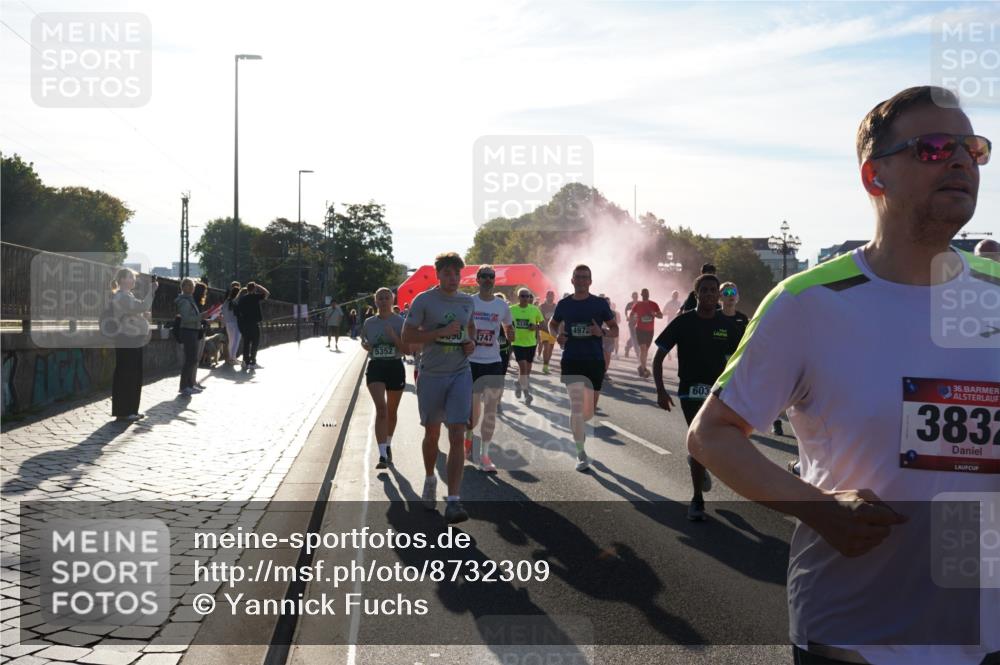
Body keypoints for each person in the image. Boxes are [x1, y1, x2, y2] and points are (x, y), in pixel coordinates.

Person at [689, 86, 999, 665]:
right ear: (873, 177)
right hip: (856, 633)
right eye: (933, 147)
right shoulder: (806, 303)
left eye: (972, 148)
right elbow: (712, 434)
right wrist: (817, 506)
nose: (960, 160)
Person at [651, 273, 739, 521]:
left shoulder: (728, 324)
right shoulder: (683, 322)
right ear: (697, 294)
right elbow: (658, 357)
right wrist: (660, 390)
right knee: (700, 439)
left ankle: (698, 459)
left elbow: (740, 360)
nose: (710, 294)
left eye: (714, 290)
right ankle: (697, 499)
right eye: (705, 290)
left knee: (712, 443)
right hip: (689, 390)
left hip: (718, 393)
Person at [402, 252, 476, 524]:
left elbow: (471, 329)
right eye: (447, 273)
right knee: (432, 433)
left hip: (460, 373)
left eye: (457, 274)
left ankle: (454, 501)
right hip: (431, 374)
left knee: (457, 432)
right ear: (438, 275)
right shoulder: (424, 300)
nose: (453, 279)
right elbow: (407, 336)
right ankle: (431, 478)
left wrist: (471, 344)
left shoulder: (467, 301)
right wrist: (439, 333)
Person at [549, 265, 617, 471]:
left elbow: (615, 329)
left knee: (589, 411)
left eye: (585, 277)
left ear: (590, 281)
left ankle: (581, 428)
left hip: (594, 361)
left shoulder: (599, 304)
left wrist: (602, 332)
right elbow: (553, 324)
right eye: (577, 277)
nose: (581, 280)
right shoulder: (564, 304)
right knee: (577, 408)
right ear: (572, 280)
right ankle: (580, 452)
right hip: (572, 360)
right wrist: (556, 336)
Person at [464, 265, 514, 472]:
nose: (487, 279)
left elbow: (509, 328)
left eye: (490, 277)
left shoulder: (502, 306)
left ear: (494, 280)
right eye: (483, 276)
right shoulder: (469, 302)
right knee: (473, 414)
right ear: (477, 279)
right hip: (470, 362)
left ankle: (485, 455)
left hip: (493, 362)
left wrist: (511, 335)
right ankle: (468, 439)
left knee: (491, 411)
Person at [361, 288, 406, 470]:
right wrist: (366, 345)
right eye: (380, 298)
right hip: (376, 366)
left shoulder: (401, 321)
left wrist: (394, 336)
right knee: (381, 409)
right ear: (376, 301)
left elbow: (406, 349)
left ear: (392, 299)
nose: (384, 300)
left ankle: (387, 444)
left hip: (395, 366)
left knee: (392, 411)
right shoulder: (369, 322)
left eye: (387, 297)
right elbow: (364, 342)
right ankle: (381, 455)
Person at [108, 268, 157, 421]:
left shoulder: (127, 295)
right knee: (128, 374)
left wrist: (143, 315)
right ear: (122, 280)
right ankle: (125, 410)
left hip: (132, 338)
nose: (133, 280)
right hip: (127, 339)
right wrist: (152, 291)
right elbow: (142, 306)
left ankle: (130, 410)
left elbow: (138, 309)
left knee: (133, 374)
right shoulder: (122, 296)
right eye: (130, 277)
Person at [176, 278, 212, 395]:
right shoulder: (184, 301)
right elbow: (186, 319)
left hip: (193, 331)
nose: (191, 288)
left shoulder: (189, 300)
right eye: (188, 286)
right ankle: (184, 386)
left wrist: (202, 316)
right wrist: (200, 316)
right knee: (190, 359)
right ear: (183, 287)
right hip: (188, 331)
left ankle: (189, 385)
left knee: (193, 359)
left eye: (192, 286)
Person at [509, 289, 544, 405]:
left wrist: (536, 327)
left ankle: (518, 383)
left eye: (527, 296)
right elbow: (504, 324)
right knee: (523, 369)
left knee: (527, 372)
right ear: (518, 297)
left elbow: (543, 325)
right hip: (517, 344)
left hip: (531, 344)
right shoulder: (511, 310)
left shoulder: (534, 310)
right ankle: (526, 394)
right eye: (523, 296)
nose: (525, 298)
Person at [628, 288, 663, 378]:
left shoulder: (654, 304)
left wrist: (654, 314)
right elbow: (631, 315)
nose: (645, 295)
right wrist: (634, 318)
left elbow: (661, 315)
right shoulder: (638, 304)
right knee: (643, 349)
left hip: (650, 331)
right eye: (643, 294)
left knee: (645, 351)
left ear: (648, 294)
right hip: (640, 329)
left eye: (646, 294)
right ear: (641, 295)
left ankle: (641, 366)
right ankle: (643, 369)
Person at [236, 281, 269, 369]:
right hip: (254, 324)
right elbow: (267, 293)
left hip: (245, 324)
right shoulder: (255, 297)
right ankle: (252, 362)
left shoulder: (242, 299)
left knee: (246, 343)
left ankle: (245, 362)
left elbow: (238, 312)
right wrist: (259, 286)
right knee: (255, 343)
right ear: (254, 289)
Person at [494, 292, 512, 415]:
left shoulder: (508, 318)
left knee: (500, 379)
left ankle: (498, 402)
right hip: (488, 354)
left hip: (503, 352)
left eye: (502, 302)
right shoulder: (488, 317)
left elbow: (512, 337)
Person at [537, 290, 558, 374]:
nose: (550, 297)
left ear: (554, 297)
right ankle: (545, 366)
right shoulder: (541, 306)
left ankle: (546, 365)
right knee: (546, 346)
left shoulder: (556, 306)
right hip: (544, 329)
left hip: (553, 330)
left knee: (551, 349)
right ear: (546, 296)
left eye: (552, 296)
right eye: (549, 296)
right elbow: (538, 318)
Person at [221, 282, 242, 365]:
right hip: (235, 323)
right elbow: (238, 313)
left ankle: (231, 358)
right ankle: (233, 358)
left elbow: (223, 311)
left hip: (228, 323)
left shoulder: (227, 301)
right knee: (236, 341)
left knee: (231, 341)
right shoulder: (235, 302)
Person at [601, 297, 619, 382]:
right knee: (602, 355)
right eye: (605, 303)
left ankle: (604, 372)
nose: (607, 304)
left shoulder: (613, 313)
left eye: (608, 303)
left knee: (608, 356)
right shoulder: (597, 312)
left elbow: (615, 325)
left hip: (610, 337)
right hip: (601, 337)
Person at [623, 291, 639, 358]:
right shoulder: (630, 304)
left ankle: (627, 347)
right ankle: (637, 352)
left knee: (637, 336)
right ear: (632, 297)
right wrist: (627, 316)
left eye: (636, 296)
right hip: (632, 323)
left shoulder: (640, 303)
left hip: (639, 322)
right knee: (634, 336)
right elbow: (626, 311)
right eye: (634, 296)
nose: (635, 297)